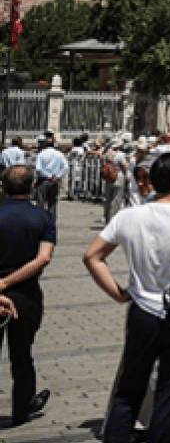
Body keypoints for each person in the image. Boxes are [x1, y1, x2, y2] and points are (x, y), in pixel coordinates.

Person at [84, 152, 170, 443]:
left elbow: (92, 256)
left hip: (143, 311)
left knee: (129, 389)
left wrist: (118, 293)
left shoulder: (129, 216)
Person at [0, 165, 54, 426]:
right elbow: (44, 257)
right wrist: (9, 282)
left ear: (3, 188)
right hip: (26, 294)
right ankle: (22, 409)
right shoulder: (42, 217)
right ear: (32, 187)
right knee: (22, 354)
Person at [33, 138, 67, 221]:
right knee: (52, 203)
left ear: (45, 144)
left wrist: (48, 176)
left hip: (43, 181)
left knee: (40, 202)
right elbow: (65, 167)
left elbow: (38, 168)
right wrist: (57, 176)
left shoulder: (41, 154)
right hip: (55, 181)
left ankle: (40, 221)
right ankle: (51, 222)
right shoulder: (60, 154)